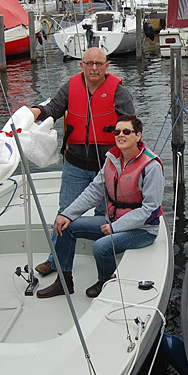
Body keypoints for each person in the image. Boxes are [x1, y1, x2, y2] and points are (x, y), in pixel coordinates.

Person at [29, 46, 135, 277]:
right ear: (82, 66)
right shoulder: (71, 87)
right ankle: (55, 261)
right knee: (65, 212)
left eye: (99, 64)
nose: (94, 68)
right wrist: (35, 111)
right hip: (76, 163)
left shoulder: (119, 93)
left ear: (107, 66)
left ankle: (104, 261)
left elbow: (130, 127)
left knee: (104, 216)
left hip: (106, 166)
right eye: (89, 63)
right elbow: (54, 109)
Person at [37, 114, 163, 299]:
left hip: (143, 229)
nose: (121, 135)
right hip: (111, 220)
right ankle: (64, 281)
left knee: (101, 247)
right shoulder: (112, 159)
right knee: (66, 227)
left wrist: (116, 227)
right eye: (117, 131)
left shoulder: (151, 166)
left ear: (138, 136)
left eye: (126, 131)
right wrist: (67, 214)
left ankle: (105, 280)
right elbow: (94, 191)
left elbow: (150, 209)